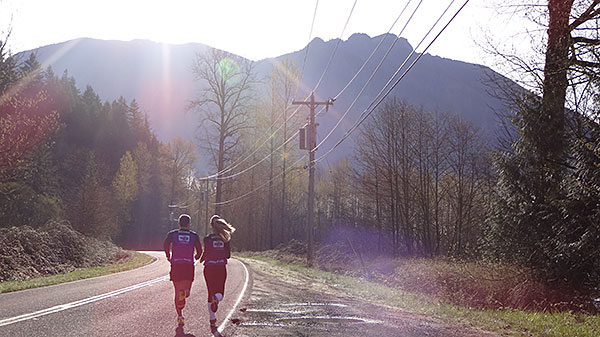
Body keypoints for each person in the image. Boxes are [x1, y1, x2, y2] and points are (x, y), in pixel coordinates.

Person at [164, 214, 202, 327]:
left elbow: (166, 244)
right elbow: (199, 249)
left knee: (177, 292)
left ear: (179, 223)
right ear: (189, 224)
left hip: (176, 265)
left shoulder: (172, 234)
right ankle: (184, 294)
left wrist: (168, 255)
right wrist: (197, 256)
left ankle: (180, 316)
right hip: (188, 266)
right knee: (187, 292)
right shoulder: (194, 235)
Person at [200, 215, 236, 335]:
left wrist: (201, 259)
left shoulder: (207, 239)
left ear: (211, 226)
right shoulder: (225, 239)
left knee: (210, 292)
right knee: (220, 291)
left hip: (209, 268)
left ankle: (212, 318)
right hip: (220, 268)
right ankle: (217, 298)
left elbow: (206, 253)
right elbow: (228, 255)